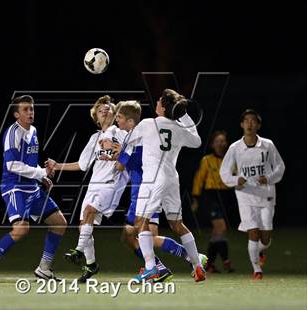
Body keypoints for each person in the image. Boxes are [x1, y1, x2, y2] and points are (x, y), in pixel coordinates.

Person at [44, 95, 169, 283]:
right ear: (95, 116)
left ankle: (78, 251)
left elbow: (129, 158)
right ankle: (92, 264)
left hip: (111, 185)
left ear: (115, 114)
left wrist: (117, 153)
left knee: (91, 212)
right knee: (84, 226)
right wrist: (57, 166)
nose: (104, 109)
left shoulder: (122, 133)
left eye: (108, 108)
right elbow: (83, 164)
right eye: (100, 108)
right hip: (94, 185)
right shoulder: (95, 138)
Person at [113, 100, 207, 281]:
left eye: (159, 101)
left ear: (163, 107)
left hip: (153, 178)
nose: (156, 103)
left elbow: (128, 140)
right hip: (172, 179)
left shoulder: (148, 123)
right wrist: (184, 116)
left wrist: (120, 154)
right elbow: (197, 142)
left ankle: (151, 268)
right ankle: (197, 265)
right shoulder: (179, 128)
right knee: (177, 224)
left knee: (140, 221)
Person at [0, 95, 67, 281]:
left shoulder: (33, 131)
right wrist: (41, 173)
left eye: (32, 109)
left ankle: (44, 268)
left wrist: (41, 176)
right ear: (16, 114)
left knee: (59, 223)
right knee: (21, 229)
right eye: (26, 109)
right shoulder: (13, 133)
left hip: (31, 188)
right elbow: (12, 165)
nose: (30, 112)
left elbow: (28, 163)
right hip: (14, 187)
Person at [220, 109, 285, 280]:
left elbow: (280, 167)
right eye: (246, 121)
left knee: (265, 238)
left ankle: (260, 251)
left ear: (258, 125)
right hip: (245, 195)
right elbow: (224, 172)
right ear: (241, 125)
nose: (249, 123)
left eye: (253, 121)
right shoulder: (235, 148)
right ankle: (257, 270)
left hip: (266, 194)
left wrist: (269, 178)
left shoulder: (268, 145)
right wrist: (236, 180)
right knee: (253, 232)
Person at [191, 130, 235, 273]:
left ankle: (208, 264)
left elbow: (237, 177)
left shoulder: (231, 160)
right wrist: (195, 199)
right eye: (218, 141)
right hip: (211, 197)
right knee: (220, 228)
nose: (220, 144)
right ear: (212, 145)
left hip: (226, 196)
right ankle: (226, 261)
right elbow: (199, 179)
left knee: (218, 232)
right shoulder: (207, 160)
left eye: (223, 141)